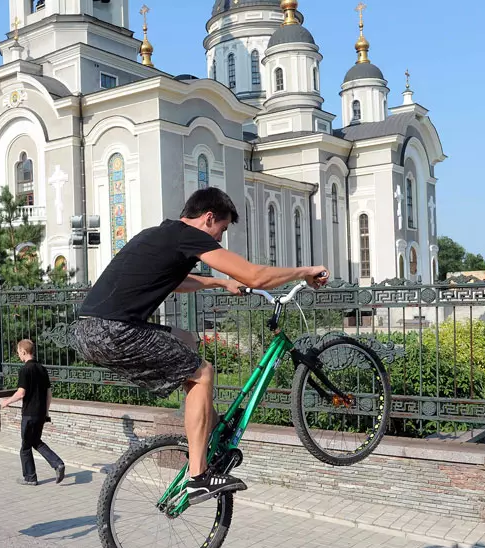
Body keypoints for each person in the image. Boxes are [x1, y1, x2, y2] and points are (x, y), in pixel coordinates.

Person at [71, 188, 328, 504]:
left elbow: (175, 281)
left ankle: (210, 421)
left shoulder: (161, 235)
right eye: (221, 231)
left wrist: (219, 282)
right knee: (203, 373)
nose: (219, 241)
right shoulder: (189, 236)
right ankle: (198, 476)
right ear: (208, 218)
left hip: (88, 330)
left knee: (187, 340)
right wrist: (304, 271)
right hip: (114, 331)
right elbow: (256, 276)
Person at [0, 340, 65, 486]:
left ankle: (30, 477)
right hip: (40, 413)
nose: (18, 354)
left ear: (23, 351)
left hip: (29, 414)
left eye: (18, 352)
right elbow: (49, 394)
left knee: (25, 447)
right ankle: (57, 464)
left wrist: (6, 402)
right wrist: (46, 412)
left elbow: (21, 393)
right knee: (36, 442)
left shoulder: (25, 370)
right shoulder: (42, 369)